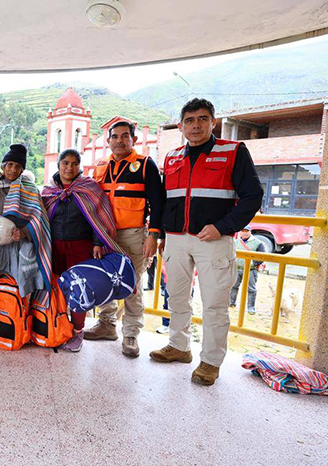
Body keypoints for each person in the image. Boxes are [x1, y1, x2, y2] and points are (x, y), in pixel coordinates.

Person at [151, 98, 263, 386]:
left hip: (214, 240)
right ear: (181, 126)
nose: (196, 125)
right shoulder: (172, 157)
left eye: (202, 119)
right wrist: (162, 236)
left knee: (214, 304)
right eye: (189, 120)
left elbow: (252, 196)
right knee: (176, 297)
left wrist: (222, 227)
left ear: (213, 122)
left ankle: (211, 361)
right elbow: (165, 201)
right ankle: (179, 346)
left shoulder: (233, 151)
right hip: (176, 240)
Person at [85, 121, 165, 359]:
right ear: (108, 140)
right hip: (105, 235)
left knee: (132, 285)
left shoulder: (145, 165)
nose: (119, 141)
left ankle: (130, 334)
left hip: (133, 234)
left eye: (125, 136)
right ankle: (107, 324)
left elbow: (158, 203)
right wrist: (96, 239)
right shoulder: (101, 167)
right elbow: (94, 206)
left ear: (134, 140)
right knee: (104, 281)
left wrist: (153, 235)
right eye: (115, 136)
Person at [41, 148, 123, 352]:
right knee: (58, 288)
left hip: (81, 246)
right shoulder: (49, 191)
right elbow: (41, 219)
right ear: (58, 165)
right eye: (65, 163)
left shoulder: (89, 188)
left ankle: (78, 332)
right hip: (55, 247)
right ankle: (60, 328)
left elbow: (98, 218)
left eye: (74, 164)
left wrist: (98, 243)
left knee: (80, 289)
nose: (69, 167)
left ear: (80, 166)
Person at [0, 143, 52, 301]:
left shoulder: (30, 189)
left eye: (17, 166)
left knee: (17, 289)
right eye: (10, 165)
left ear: (22, 170)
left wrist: (24, 232)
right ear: (3, 166)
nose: (13, 170)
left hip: (17, 247)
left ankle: (19, 313)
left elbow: (39, 217)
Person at [229, 226, 265, 314]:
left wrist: (253, 263)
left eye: (247, 231)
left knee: (251, 289)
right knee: (234, 286)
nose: (244, 233)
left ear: (250, 232)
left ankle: (251, 307)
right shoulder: (235, 242)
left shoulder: (258, 243)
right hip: (237, 268)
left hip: (251, 270)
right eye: (242, 230)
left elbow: (262, 256)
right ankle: (231, 302)